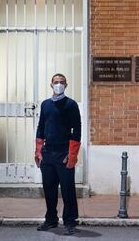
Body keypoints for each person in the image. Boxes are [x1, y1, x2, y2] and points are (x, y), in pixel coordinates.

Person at [34, 73, 81, 236]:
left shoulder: (71, 105)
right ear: (51, 85)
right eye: (56, 82)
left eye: (61, 82)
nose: (58, 84)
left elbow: (77, 130)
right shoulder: (45, 105)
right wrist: (38, 151)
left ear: (66, 85)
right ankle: (51, 219)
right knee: (49, 189)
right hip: (48, 153)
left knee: (68, 190)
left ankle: (70, 221)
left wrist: (72, 154)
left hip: (64, 153)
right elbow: (40, 127)